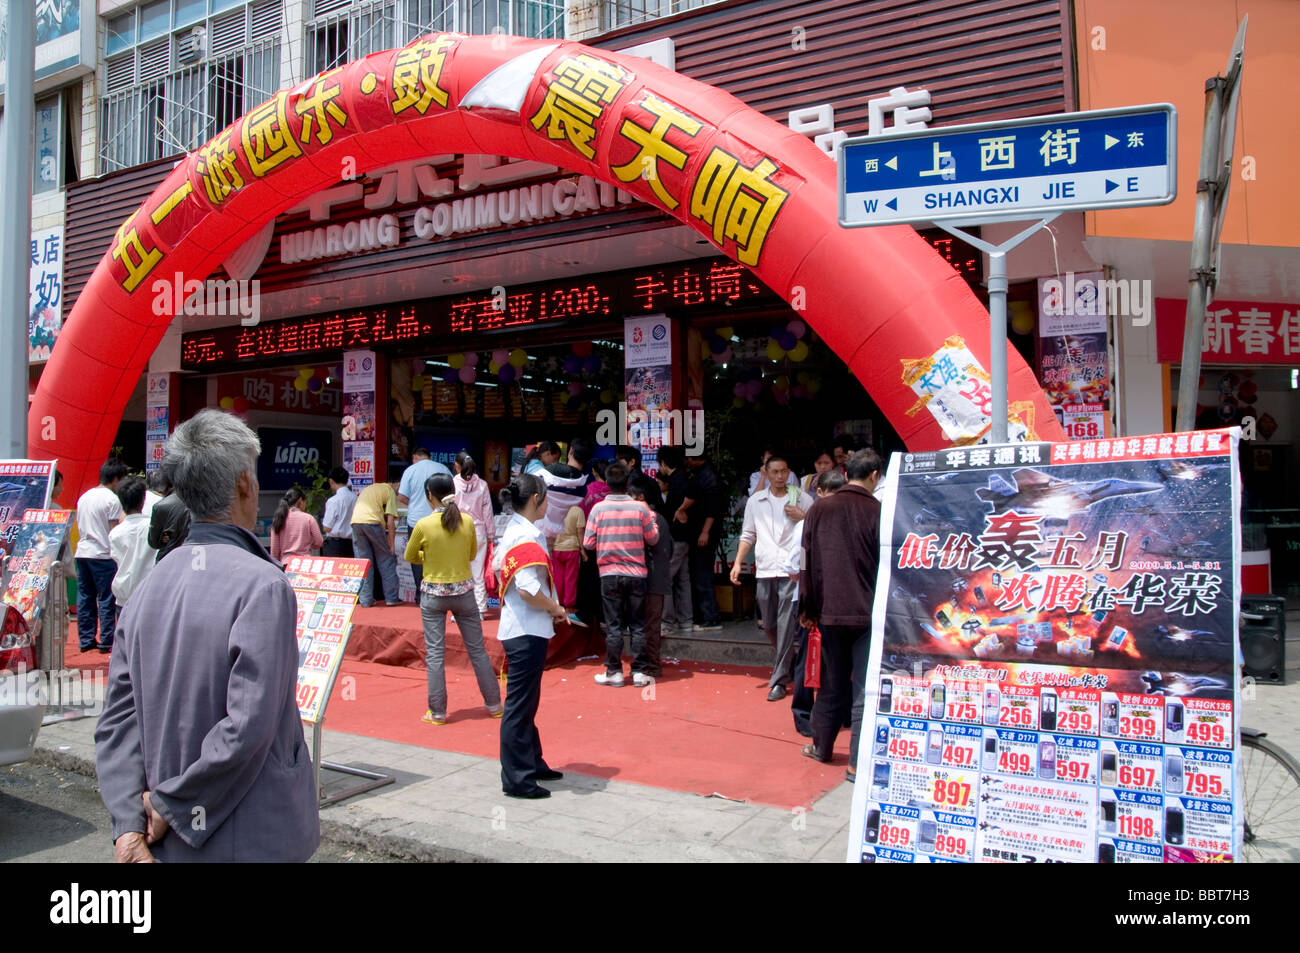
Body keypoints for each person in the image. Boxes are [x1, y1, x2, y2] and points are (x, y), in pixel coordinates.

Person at [94, 409, 319, 862]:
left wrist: (128, 826)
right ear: (243, 483)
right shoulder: (263, 585)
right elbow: (247, 727)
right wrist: (172, 807)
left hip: (165, 839)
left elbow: (117, 723)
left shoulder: (145, 590)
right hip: (251, 835)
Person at [799, 449, 883, 779]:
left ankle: (822, 746)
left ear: (847, 475)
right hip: (867, 612)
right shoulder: (878, 510)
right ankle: (856, 763)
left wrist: (807, 607)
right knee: (862, 687)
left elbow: (806, 562)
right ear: (875, 475)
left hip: (829, 610)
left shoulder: (820, 509)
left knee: (831, 682)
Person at [405, 472, 502, 725]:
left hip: (433, 595)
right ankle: (494, 704)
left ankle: (437, 712)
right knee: (478, 651)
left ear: (429, 495)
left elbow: (410, 556)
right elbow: (471, 554)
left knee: (435, 655)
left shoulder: (424, 524)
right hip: (464, 594)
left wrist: (429, 558)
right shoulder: (467, 521)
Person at [493, 474, 568, 799]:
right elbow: (527, 588)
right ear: (536, 497)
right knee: (519, 706)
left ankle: (532, 763)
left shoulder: (515, 530)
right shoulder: (526, 536)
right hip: (526, 629)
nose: (548, 503)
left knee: (526, 703)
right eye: (547, 497)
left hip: (524, 628)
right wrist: (554, 607)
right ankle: (517, 779)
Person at [730, 452, 810, 701]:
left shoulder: (802, 498)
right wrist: (737, 562)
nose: (779, 476)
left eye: (783, 471)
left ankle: (778, 678)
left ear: (789, 473)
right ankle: (791, 661)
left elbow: (816, 529)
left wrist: (803, 516)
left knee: (786, 624)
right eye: (774, 472)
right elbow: (748, 534)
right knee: (769, 624)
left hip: (792, 569)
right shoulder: (757, 501)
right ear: (765, 472)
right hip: (765, 567)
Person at [583, 462, 660, 687]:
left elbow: (588, 543)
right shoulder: (640, 509)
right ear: (627, 483)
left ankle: (614, 671)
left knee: (614, 624)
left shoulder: (597, 509)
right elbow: (653, 538)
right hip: (637, 573)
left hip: (609, 574)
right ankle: (639, 671)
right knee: (637, 624)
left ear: (607, 483)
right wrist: (652, 519)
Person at [789, 468, 845, 737]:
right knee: (807, 659)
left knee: (839, 661)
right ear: (819, 493)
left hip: (839, 602)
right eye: (830, 493)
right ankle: (803, 714)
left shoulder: (849, 522)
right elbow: (794, 565)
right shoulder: (805, 524)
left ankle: (838, 712)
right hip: (810, 601)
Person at [75, 460, 129, 653]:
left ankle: (86, 639)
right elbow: (114, 532)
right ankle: (107, 640)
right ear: (115, 479)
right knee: (106, 598)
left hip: (82, 552)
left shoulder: (85, 497)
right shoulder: (112, 500)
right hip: (103, 555)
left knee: (85, 597)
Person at [398, 448, 452, 606]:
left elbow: (401, 496)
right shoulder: (442, 468)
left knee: (417, 559)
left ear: (414, 457)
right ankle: (441, 592)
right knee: (440, 556)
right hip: (441, 520)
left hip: (416, 522)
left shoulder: (410, 470)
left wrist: (414, 504)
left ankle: (421, 596)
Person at [629, 475, 671, 679]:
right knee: (649, 624)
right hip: (655, 577)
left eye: (631, 497)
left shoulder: (648, 518)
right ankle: (649, 663)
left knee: (647, 624)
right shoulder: (658, 517)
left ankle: (652, 665)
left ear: (640, 497)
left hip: (649, 578)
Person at [677, 452, 724, 631]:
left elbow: (713, 509)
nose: (687, 462)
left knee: (703, 574)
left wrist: (705, 531)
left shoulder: (708, 476)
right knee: (699, 573)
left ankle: (710, 617)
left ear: (694, 458)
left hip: (705, 532)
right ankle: (705, 615)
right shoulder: (702, 474)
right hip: (700, 531)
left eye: (688, 459)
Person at [656, 446, 693, 634]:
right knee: (682, 579)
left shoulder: (678, 479)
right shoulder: (682, 477)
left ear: (663, 463)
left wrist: (682, 509)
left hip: (676, 536)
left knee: (666, 578)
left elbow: (693, 494)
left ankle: (668, 622)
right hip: (683, 536)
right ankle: (686, 620)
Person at [453, 451, 494, 615]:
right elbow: (488, 512)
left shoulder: (453, 483)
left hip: (459, 531)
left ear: (457, 465)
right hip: (479, 532)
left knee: (460, 573)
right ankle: (481, 608)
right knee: (478, 573)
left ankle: (461, 611)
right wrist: (491, 534)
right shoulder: (482, 485)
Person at [351, 480, 404, 608]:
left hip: (355, 522)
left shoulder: (373, 488)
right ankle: (391, 598)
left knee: (364, 563)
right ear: (396, 485)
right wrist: (391, 546)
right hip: (372, 522)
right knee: (386, 560)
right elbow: (390, 523)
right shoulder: (390, 491)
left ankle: (365, 600)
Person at [108, 476, 155, 611]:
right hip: (148, 594)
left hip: (123, 595)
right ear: (143, 500)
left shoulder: (115, 533)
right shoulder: (152, 527)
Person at [538, 440, 589, 545]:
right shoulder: (583, 487)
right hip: (556, 535)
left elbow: (531, 484)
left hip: (538, 528)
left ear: (571, 450)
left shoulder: (552, 471)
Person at [270, 487, 323, 562]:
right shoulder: (308, 518)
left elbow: (274, 550)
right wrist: (308, 544)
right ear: (301, 500)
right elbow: (319, 542)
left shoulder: (279, 518)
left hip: (286, 563)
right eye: (305, 502)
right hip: (305, 563)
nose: (305, 505)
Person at [147, 473, 190, 564]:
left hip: (167, 559)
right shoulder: (201, 502)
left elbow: (154, 542)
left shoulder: (161, 506)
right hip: (193, 558)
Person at [552, 501, 584, 611]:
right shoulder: (577, 510)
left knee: (558, 577)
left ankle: (559, 602)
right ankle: (569, 605)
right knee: (571, 577)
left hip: (557, 547)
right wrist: (583, 550)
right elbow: (580, 532)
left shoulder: (556, 510)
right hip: (572, 547)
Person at [615, 443, 664, 512]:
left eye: (620, 462)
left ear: (632, 462)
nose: (618, 466)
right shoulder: (651, 481)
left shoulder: (632, 483)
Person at [321, 467, 357, 558]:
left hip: (334, 546)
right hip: (351, 544)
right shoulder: (356, 498)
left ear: (331, 481)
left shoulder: (333, 501)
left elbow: (327, 527)